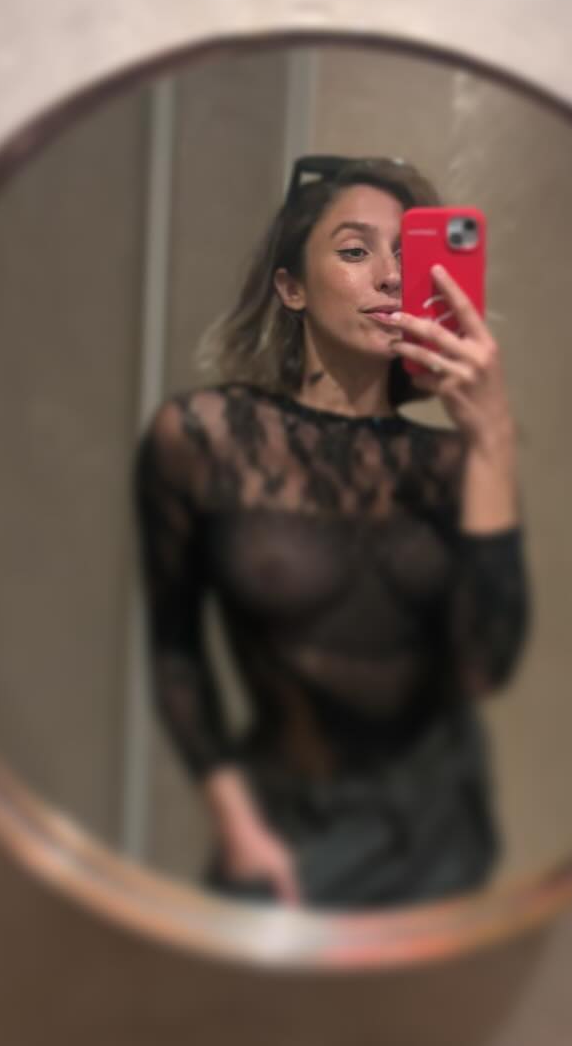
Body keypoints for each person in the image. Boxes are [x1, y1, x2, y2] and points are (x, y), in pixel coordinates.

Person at [133, 156, 529, 911]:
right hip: (287, 828)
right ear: (291, 288)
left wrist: (493, 443)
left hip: (439, 838)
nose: (390, 277)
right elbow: (175, 653)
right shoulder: (201, 438)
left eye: (407, 258)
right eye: (355, 251)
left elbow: (487, 663)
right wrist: (236, 824)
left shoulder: (453, 463)